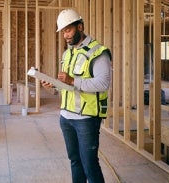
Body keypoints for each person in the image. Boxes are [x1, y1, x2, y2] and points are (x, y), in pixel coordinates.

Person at [41, 9, 112, 183]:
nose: (65, 35)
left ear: (80, 27)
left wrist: (73, 81)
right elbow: (68, 86)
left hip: (86, 119)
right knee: (75, 161)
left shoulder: (98, 52)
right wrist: (55, 86)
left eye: (68, 30)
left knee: (90, 165)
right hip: (66, 117)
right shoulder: (68, 54)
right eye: (63, 32)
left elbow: (103, 83)